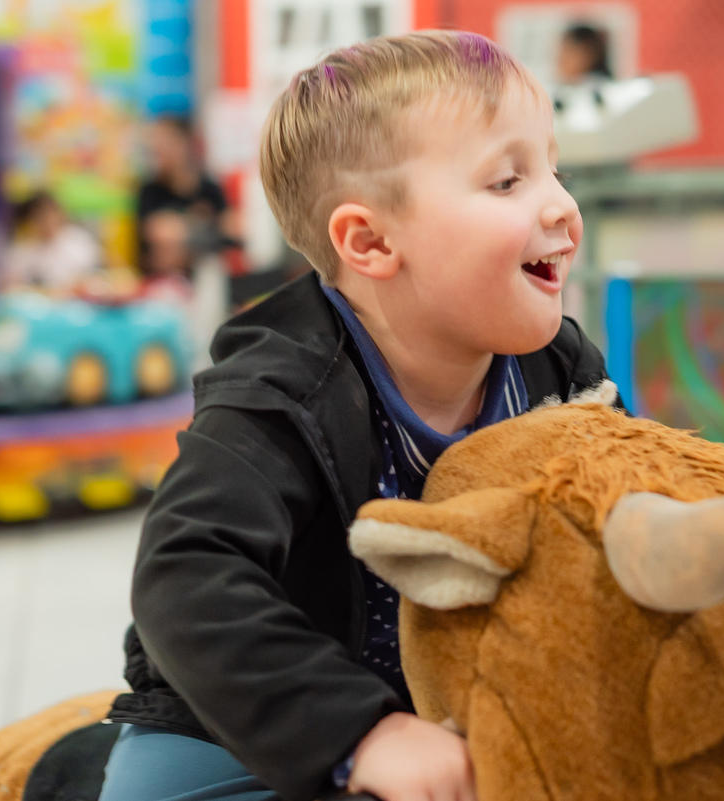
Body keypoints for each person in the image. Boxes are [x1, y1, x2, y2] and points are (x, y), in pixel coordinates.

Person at [102, 31, 620, 801]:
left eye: (554, 167)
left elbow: (646, 490)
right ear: (371, 240)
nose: (562, 206)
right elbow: (185, 574)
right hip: (241, 724)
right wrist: (362, 732)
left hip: (465, 704)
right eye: (509, 180)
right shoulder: (280, 394)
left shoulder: (557, 367)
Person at [136, 115, 234, 266]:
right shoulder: (150, 190)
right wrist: (204, 224)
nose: (158, 150)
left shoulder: (209, 188)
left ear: (184, 145)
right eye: (155, 146)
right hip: (164, 278)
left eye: (165, 143)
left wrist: (183, 227)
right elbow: (159, 232)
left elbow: (232, 227)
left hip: (208, 270)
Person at [1, 191, 102, 295]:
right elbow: (8, 286)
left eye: (49, 214)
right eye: (38, 216)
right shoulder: (22, 250)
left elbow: (94, 281)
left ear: (60, 214)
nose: (45, 221)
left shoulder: (81, 243)